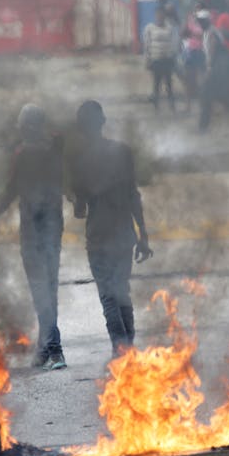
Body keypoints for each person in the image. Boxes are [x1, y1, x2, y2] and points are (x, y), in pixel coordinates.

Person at [0, 104, 66, 371]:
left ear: (27, 127)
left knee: (41, 291)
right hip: (52, 228)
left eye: (23, 125)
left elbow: (8, 193)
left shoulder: (24, 154)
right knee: (49, 289)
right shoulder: (55, 151)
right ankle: (43, 347)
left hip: (34, 232)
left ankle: (55, 349)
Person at [70, 101, 153, 357]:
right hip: (123, 234)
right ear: (103, 122)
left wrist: (75, 200)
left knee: (108, 295)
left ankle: (121, 349)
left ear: (81, 128)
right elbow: (132, 195)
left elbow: (81, 210)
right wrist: (143, 234)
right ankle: (128, 347)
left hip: (98, 236)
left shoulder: (80, 161)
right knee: (121, 291)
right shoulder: (122, 152)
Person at [197, 10, 229, 131]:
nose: (200, 23)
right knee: (217, 96)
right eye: (199, 21)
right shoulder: (208, 31)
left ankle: (203, 126)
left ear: (208, 20)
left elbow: (213, 49)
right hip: (218, 69)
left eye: (202, 20)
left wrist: (209, 69)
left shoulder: (212, 32)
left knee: (206, 96)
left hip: (217, 68)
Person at [181, 0, 216, 112]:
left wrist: (194, 35)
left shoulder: (210, 16)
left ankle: (204, 105)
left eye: (201, 2)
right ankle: (188, 105)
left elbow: (210, 34)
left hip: (204, 51)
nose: (198, 4)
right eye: (197, 2)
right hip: (191, 51)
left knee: (204, 80)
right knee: (189, 79)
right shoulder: (191, 16)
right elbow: (184, 33)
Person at [142, 7, 181, 111]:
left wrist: (173, 57)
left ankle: (172, 107)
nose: (160, 17)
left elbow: (174, 44)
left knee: (169, 85)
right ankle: (156, 108)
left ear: (164, 16)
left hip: (167, 61)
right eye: (158, 15)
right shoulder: (149, 28)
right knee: (156, 85)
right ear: (155, 16)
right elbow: (146, 46)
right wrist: (147, 60)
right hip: (156, 60)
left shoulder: (170, 28)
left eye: (162, 15)